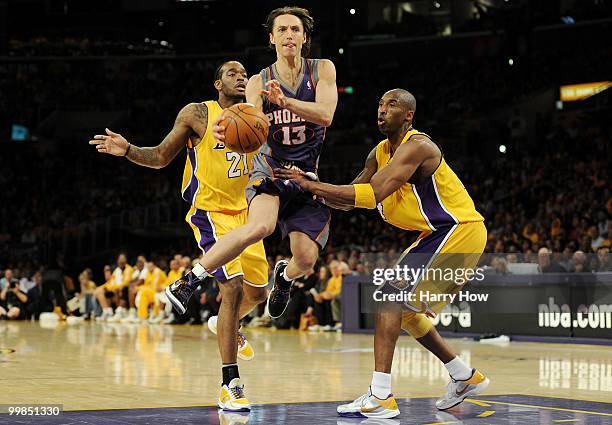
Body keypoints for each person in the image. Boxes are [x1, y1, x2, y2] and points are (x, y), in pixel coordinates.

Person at [276, 89, 490, 418]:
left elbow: (374, 193)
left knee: (390, 299)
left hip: (459, 231)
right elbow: (348, 198)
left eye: (392, 105)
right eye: (379, 104)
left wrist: (313, 188)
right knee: (403, 311)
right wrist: (312, 186)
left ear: (408, 116)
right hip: (437, 234)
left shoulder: (417, 146)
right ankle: (464, 375)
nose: (382, 110)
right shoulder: (379, 152)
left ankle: (380, 395)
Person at [89, 60, 269, 411]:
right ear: (217, 83)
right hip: (211, 213)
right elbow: (159, 157)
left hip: (249, 216)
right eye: (232, 73)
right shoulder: (199, 114)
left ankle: (226, 323)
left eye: (244, 73)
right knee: (230, 288)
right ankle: (229, 384)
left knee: (258, 293)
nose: (241, 76)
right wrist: (126, 150)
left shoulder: (257, 116)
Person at [164, 6, 338, 324]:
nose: (288, 35)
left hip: (305, 177)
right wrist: (227, 129)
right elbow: (250, 123)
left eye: (295, 30)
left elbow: (326, 114)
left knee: (307, 260)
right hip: (269, 169)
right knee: (261, 226)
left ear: (304, 38)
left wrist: (286, 102)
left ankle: (284, 278)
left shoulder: (322, 69)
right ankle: (189, 281)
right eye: (282, 30)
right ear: (271, 38)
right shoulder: (259, 81)